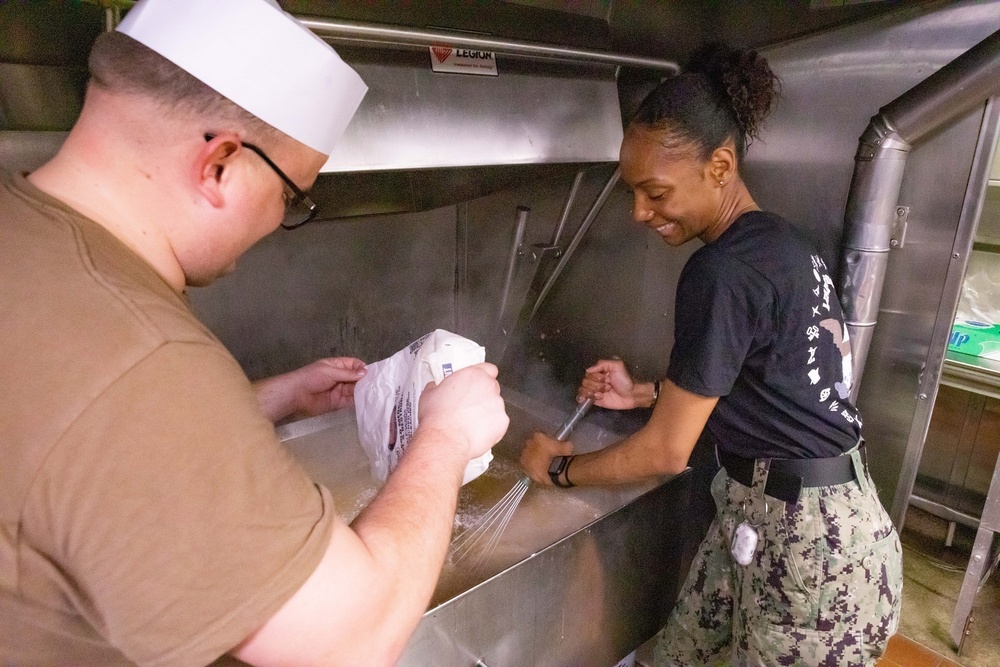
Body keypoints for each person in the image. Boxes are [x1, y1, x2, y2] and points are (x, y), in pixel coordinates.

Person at [0, 0, 508, 665]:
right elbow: (351, 641)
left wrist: (271, 397)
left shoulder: (26, 232)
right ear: (219, 166)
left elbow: (69, 440)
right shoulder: (147, 364)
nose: (279, 220)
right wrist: (448, 433)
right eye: (294, 195)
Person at [520, 43, 902, 666]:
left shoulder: (720, 271)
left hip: (813, 554)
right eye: (632, 193)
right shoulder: (780, 244)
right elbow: (765, 377)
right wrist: (642, 393)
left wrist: (560, 468)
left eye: (656, 193)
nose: (640, 213)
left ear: (719, 167)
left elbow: (666, 454)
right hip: (776, 517)